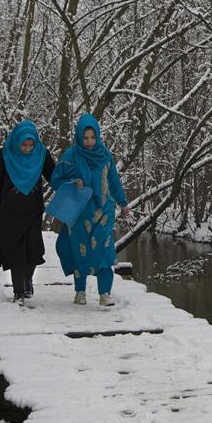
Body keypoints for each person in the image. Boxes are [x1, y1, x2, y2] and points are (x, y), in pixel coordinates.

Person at [51, 114, 130, 306]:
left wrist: (123, 203)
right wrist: (71, 182)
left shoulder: (105, 157)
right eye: (85, 137)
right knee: (81, 251)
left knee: (104, 251)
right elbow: (55, 180)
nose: (89, 141)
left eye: (92, 137)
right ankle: (80, 291)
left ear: (98, 136)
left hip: (103, 211)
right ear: (79, 136)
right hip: (79, 214)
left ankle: (105, 294)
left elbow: (113, 182)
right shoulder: (70, 156)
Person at [0, 120, 56, 305]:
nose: (27, 149)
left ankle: (27, 280)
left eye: (30, 145)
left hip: (33, 210)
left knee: (34, 250)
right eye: (23, 145)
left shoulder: (41, 154)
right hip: (8, 213)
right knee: (15, 252)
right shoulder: (4, 155)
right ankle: (18, 292)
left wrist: (73, 183)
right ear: (16, 141)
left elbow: (54, 176)